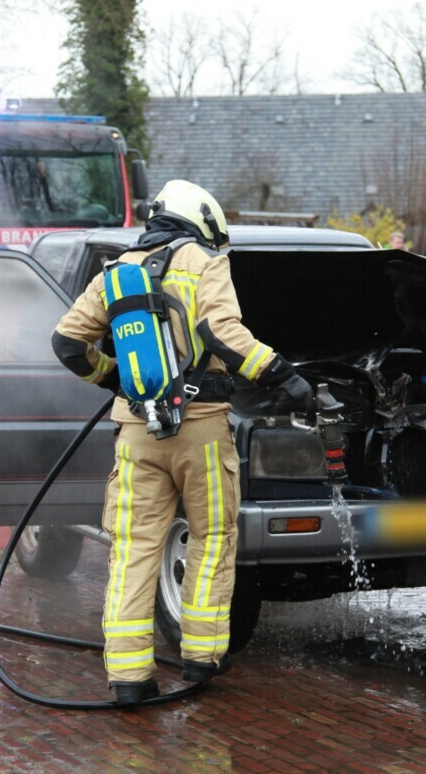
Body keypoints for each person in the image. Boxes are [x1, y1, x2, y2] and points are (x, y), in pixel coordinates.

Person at [51, 179, 314, 704]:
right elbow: (223, 334)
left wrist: (115, 380)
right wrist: (285, 377)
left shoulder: (116, 271)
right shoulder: (203, 262)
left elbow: (66, 343)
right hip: (200, 430)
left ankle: (128, 677)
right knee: (211, 536)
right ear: (200, 221)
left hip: (136, 432)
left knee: (134, 546)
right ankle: (201, 658)